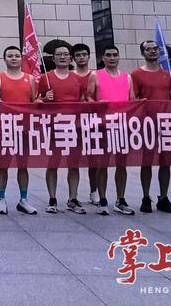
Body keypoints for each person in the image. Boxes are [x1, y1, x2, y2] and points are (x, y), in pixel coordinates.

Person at [0, 46, 38, 215]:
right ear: (5, 59)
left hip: (25, 128)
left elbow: (34, 102)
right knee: (3, 164)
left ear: (21, 58)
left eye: (17, 55)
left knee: (23, 165)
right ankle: (1, 199)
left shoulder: (30, 78)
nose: (14, 58)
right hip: (6, 128)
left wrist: (42, 101)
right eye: (10, 56)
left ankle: (24, 200)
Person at [38, 42, 87, 214]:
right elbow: (36, 101)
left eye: (66, 54)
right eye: (59, 54)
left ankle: (73, 198)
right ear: (53, 58)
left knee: (73, 165)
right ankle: (52, 199)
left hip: (74, 127)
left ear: (70, 58)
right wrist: (45, 98)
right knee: (53, 163)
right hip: (54, 127)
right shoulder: (46, 78)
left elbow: (84, 100)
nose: (62, 57)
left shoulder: (77, 78)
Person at [132, 40, 171, 214]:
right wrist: (140, 103)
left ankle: (163, 197)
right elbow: (133, 98)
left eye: (155, 49)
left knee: (165, 162)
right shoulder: (136, 74)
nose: (152, 51)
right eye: (148, 49)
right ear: (142, 53)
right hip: (147, 124)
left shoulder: (167, 74)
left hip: (166, 123)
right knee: (147, 162)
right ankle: (146, 197)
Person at [87, 44, 135, 216]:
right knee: (103, 164)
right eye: (108, 55)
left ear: (118, 57)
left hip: (122, 126)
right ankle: (102, 200)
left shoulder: (127, 77)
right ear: (103, 58)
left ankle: (120, 199)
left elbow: (132, 100)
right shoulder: (96, 75)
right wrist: (97, 104)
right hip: (103, 126)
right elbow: (89, 97)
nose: (112, 58)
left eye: (115, 55)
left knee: (121, 164)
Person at [71, 43, 98, 207]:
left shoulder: (97, 75)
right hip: (73, 124)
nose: (81, 58)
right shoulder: (69, 76)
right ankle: (73, 196)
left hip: (93, 123)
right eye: (78, 55)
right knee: (73, 161)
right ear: (73, 58)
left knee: (94, 160)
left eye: (84, 54)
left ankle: (94, 192)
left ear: (89, 56)